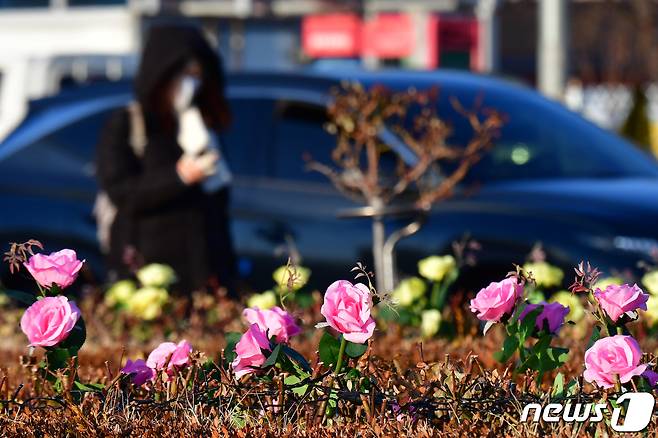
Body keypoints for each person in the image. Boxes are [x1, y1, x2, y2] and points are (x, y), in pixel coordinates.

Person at [96, 24, 237, 295]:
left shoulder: (202, 125)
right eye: (183, 76)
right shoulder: (129, 123)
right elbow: (122, 192)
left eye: (196, 76)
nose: (190, 85)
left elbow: (218, 208)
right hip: (147, 279)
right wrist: (179, 177)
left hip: (203, 277)